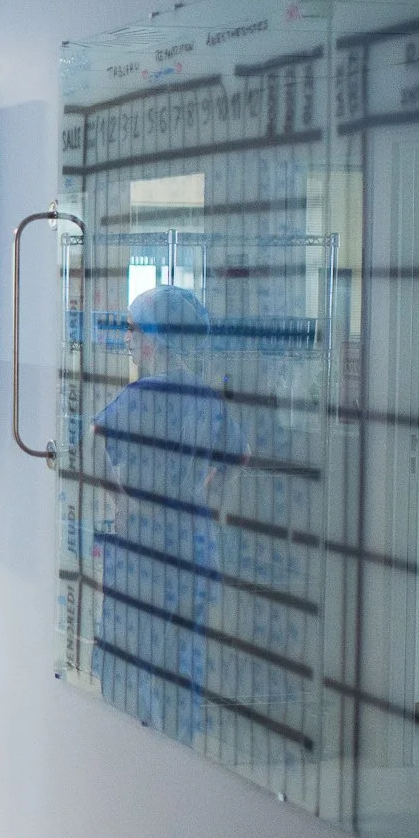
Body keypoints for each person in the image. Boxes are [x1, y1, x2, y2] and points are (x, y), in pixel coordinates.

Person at [91, 285, 244, 744]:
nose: (128, 342)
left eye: (134, 332)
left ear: (154, 340)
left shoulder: (141, 396)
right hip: (193, 547)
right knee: (182, 666)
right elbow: (240, 454)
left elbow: (94, 441)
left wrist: (122, 503)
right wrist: (201, 492)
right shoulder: (205, 397)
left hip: (147, 546)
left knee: (132, 666)